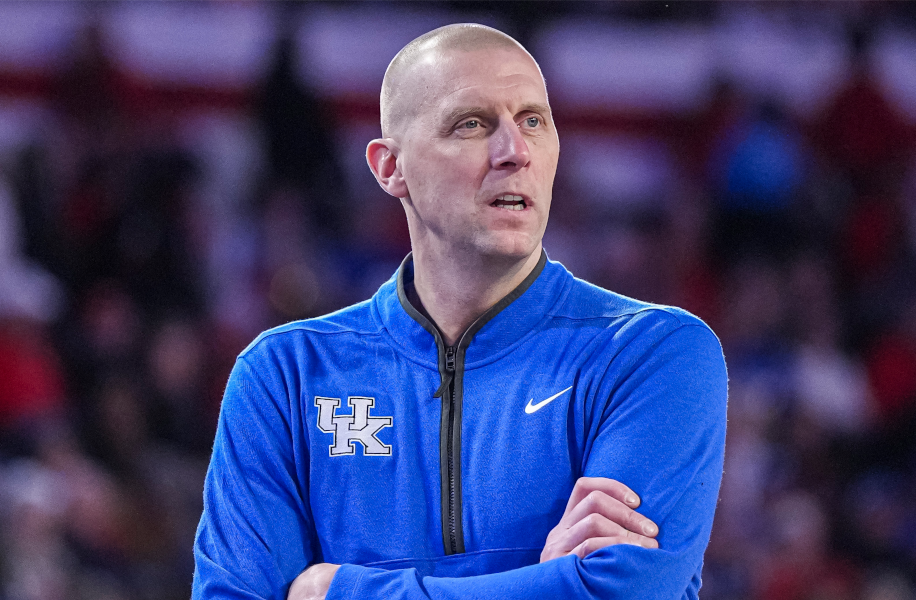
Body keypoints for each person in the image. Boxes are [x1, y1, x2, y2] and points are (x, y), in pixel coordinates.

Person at [192, 24, 728, 600]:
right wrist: (546, 581)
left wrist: (335, 589)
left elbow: (622, 592)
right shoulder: (285, 376)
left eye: (533, 121)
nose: (514, 152)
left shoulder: (651, 353)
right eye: (471, 124)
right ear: (389, 168)